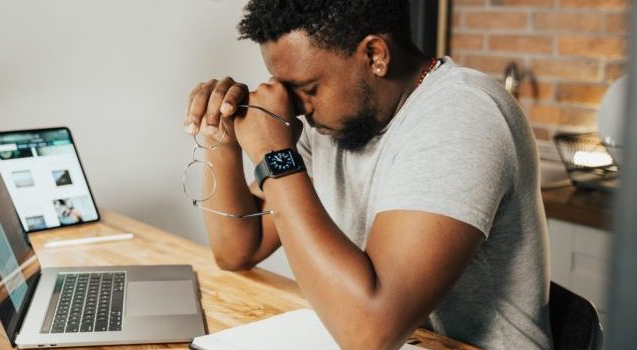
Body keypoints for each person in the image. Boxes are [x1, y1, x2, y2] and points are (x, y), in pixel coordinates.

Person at [183, 1, 552, 349]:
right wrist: (221, 137)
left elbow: (369, 334)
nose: (299, 109)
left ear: (375, 55)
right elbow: (236, 249)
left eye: (308, 89)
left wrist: (276, 156)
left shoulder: (463, 114)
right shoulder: (334, 122)